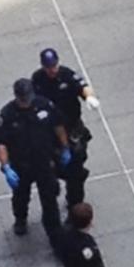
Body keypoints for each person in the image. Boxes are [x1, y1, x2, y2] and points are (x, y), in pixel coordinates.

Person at [0, 78, 72, 246]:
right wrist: (6, 167)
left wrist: (65, 147)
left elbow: (58, 126)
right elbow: (1, 143)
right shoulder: (7, 114)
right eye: (22, 97)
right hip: (21, 166)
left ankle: (55, 235)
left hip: (44, 163)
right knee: (20, 197)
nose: (26, 100)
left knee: (49, 199)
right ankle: (20, 219)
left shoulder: (44, 105)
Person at [31, 48, 100, 219]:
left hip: (71, 129)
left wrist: (89, 97)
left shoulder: (67, 75)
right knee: (49, 172)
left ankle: (75, 206)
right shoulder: (38, 79)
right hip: (49, 133)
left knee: (75, 171)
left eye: (54, 66)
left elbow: (83, 86)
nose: (52, 70)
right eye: (48, 67)